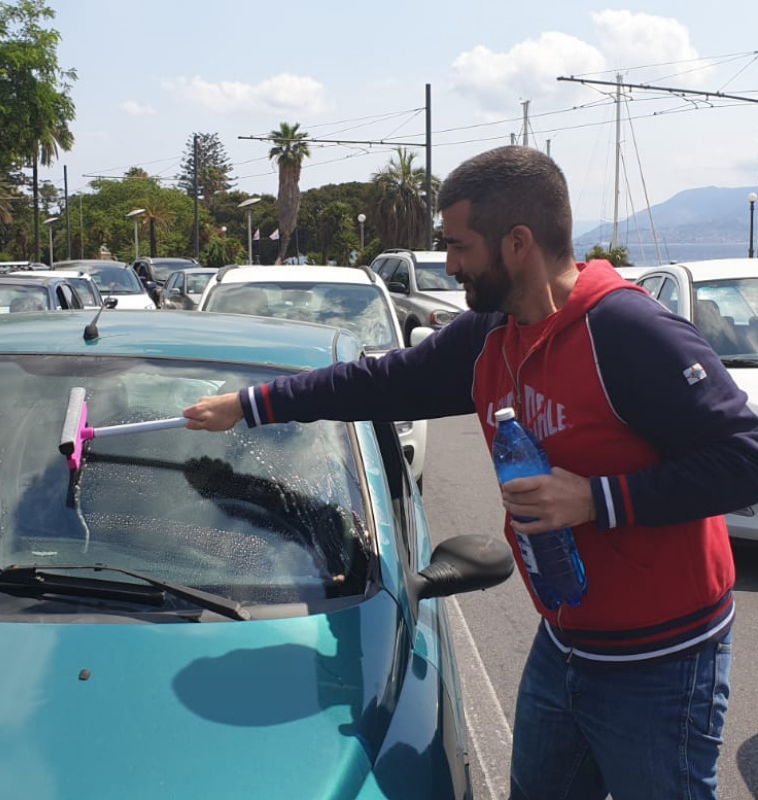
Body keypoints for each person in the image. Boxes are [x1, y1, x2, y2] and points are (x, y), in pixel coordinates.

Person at [183, 145, 758, 800]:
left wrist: (595, 500)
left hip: (662, 664)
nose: (449, 264)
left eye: (458, 246)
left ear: (517, 243)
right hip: (566, 645)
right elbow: (382, 382)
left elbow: (746, 459)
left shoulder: (627, 332)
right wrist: (250, 405)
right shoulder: (492, 332)